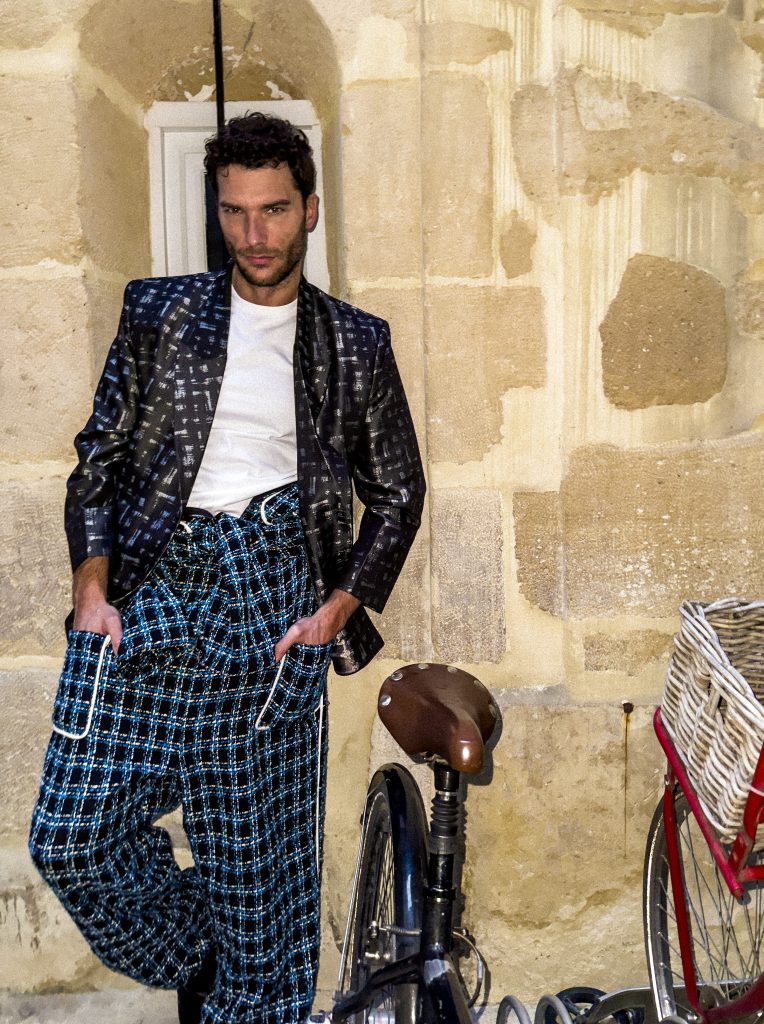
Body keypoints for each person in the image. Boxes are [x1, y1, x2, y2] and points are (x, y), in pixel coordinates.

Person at [28, 111, 425, 1024]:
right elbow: (99, 459)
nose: (255, 233)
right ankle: (207, 951)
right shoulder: (158, 312)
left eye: (274, 209)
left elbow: (398, 493)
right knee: (72, 837)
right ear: (218, 211)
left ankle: (251, 970)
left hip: (273, 597)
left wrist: (336, 610)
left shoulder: (355, 342)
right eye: (235, 211)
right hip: (159, 585)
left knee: (261, 880)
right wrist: (91, 591)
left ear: (309, 209)